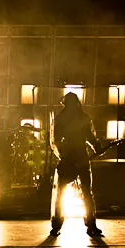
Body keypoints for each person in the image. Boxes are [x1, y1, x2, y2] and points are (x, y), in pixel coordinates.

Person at [50, 92, 110, 236]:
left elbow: (56, 142)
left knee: (64, 194)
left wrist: (65, 156)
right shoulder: (81, 118)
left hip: (72, 160)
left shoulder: (62, 119)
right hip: (78, 159)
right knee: (86, 194)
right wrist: (97, 148)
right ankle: (90, 225)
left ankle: (58, 226)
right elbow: (89, 137)